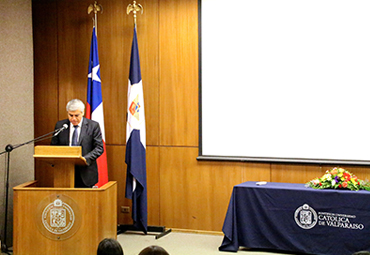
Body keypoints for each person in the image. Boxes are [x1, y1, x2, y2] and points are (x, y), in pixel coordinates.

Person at [51, 99, 104, 188]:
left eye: (77, 115)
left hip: (86, 173)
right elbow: (54, 147)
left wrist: (84, 159)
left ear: (82, 113)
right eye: (70, 115)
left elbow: (99, 148)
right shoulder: (61, 126)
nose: (73, 118)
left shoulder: (93, 126)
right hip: (65, 172)